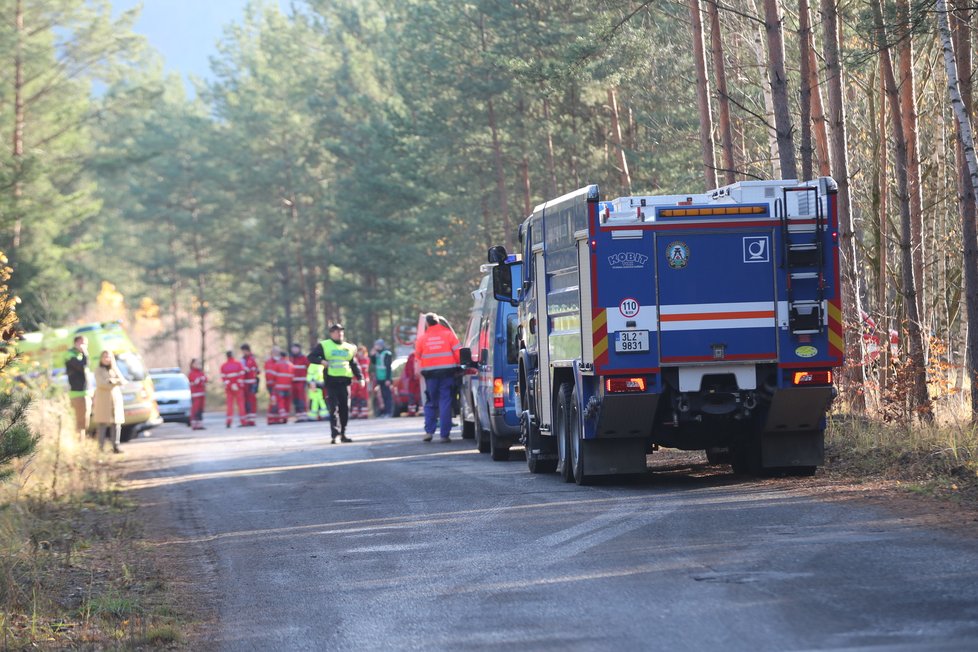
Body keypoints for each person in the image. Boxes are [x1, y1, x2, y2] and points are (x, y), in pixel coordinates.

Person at [308, 323, 363, 444]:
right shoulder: (324, 345)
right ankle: (335, 435)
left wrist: (360, 377)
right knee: (333, 409)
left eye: (341, 331)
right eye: (336, 331)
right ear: (331, 333)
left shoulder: (349, 347)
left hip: (345, 382)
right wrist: (321, 361)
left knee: (345, 409)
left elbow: (353, 363)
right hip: (331, 382)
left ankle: (343, 433)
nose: (339, 333)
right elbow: (311, 357)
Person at [414, 313, 461, 442]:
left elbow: (417, 357)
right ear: (438, 322)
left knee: (430, 402)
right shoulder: (448, 335)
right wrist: (459, 366)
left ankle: (429, 432)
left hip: (430, 375)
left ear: (427, 324)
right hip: (447, 373)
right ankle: (444, 435)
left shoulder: (422, 339)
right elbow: (458, 352)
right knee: (445, 402)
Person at [92, 350, 125, 453]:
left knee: (116, 423)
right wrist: (113, 382)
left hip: (115, 399)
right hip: (103, 399)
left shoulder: (114, 369)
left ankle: (116, 445)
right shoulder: (98, 370)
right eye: (105, 357)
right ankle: (100, 447)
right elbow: (101, 383)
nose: (107, 359)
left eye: (109, 357)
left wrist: (113, 381)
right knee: (102, 423)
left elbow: (122, 381)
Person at [64, 335, 91, 439]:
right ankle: (78, 442)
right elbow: (82, 365)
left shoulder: (80, 355)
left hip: (85, 393)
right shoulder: (70, 354)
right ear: (75, 343)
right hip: (77, 394)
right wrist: (85, 353)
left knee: (85, 420)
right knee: (79, 420)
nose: (84, 346)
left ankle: (81, 442)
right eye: (82, 343)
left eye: (86, 343)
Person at [220, 350, 246, 428]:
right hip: (238, 388)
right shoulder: (238, 364)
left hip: (229, 388)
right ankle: (243, 421)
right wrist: (236, 384)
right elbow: (241, 374)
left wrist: (230, 385)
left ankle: (229, 421)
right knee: (240, 404)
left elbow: (224, 378)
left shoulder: (223, 366)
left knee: (230, 405)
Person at [369, 339, 394, 417]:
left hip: (385, 378)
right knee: (382, 396)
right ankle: (384, 412)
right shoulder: (377, 354)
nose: (375, 347)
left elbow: (388, 367)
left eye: (376, 345)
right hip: (379, 378)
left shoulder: (387, 354)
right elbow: (374, 362)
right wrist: (372, 355)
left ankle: (388, 412)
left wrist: (388, 379)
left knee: (387, 396)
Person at [240, 344, 260, 426]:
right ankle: (247, 420)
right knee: (245, 402)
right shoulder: (243, 359)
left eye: (245, 351)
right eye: (243, 351)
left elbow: (255, 370)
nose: (244, 352)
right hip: (245, 383)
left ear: (248, 350)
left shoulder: (251, 359)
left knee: (251, 402)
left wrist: (244, 368)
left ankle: (251, 420)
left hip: (251, 383)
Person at [289, 343, 309, 421]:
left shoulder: (303, 358)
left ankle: (303, 415)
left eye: (296, 348)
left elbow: (309, 368)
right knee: (295, 399)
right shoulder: (290, 358)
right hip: (292, 382)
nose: (294, 350)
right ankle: (298, 416)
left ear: (299, 349)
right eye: (293, 348)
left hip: (301, 381)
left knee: (301, 398)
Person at [350, 344, 371, 419]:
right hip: (355, 381)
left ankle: (364, 413)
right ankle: (355, 412)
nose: (360, 354)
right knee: (355, 396)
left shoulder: (365, 360)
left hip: (363, 380)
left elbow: (364, 371)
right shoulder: (356, 359)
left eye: (362, 352)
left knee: (363, 396)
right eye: (359, 352)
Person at [188, 358, 207, 430]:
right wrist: (200, 379)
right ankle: (194, 424)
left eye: (199, 363)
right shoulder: (191, 373)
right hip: (195, 394)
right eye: (196, 363)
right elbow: (196, 382)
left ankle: (200, 424)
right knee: (195, 409)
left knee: (200, 409)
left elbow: (205, 379)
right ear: (192, 364)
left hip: (202, 393)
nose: (198, 365)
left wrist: (202, 378)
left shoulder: (200, 372)